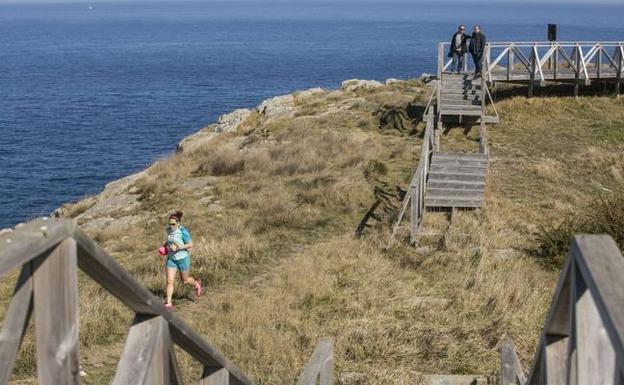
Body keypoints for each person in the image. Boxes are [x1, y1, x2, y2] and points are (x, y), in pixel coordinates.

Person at [162, 211, 201, 309]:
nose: (171, 226)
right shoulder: (168, 230)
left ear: (178, 223)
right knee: (170, 281)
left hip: (182, 259)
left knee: (185, 280)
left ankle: (196, 283)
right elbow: (169, 240)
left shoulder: (183, 231)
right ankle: (168, 303)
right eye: (169, 224)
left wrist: (178, 248)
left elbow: (190, 244)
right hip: (171, 259)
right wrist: (164, 246)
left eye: (173, 224)